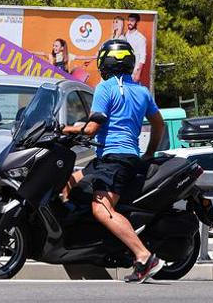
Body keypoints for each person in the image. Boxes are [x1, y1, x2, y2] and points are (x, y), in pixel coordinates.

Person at [61, 38, 166, 283]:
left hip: (114, 160)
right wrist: (149, 153)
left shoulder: (105, 88)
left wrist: (63, 129)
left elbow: (91, 129)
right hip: (119, 158)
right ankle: (80, 240)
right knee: (68, 182)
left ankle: (144, 256)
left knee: (101, 208)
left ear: (104, 61)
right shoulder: (141, 91)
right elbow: (159, 125)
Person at [122, 13, 150, 84]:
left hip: (133, 73)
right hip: (122, 71)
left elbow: (142, 57)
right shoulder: (124, 35)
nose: (129, 23)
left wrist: (138, 73)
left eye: (132, 21)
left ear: (137, 22)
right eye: (128, 20)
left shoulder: (141, 38)